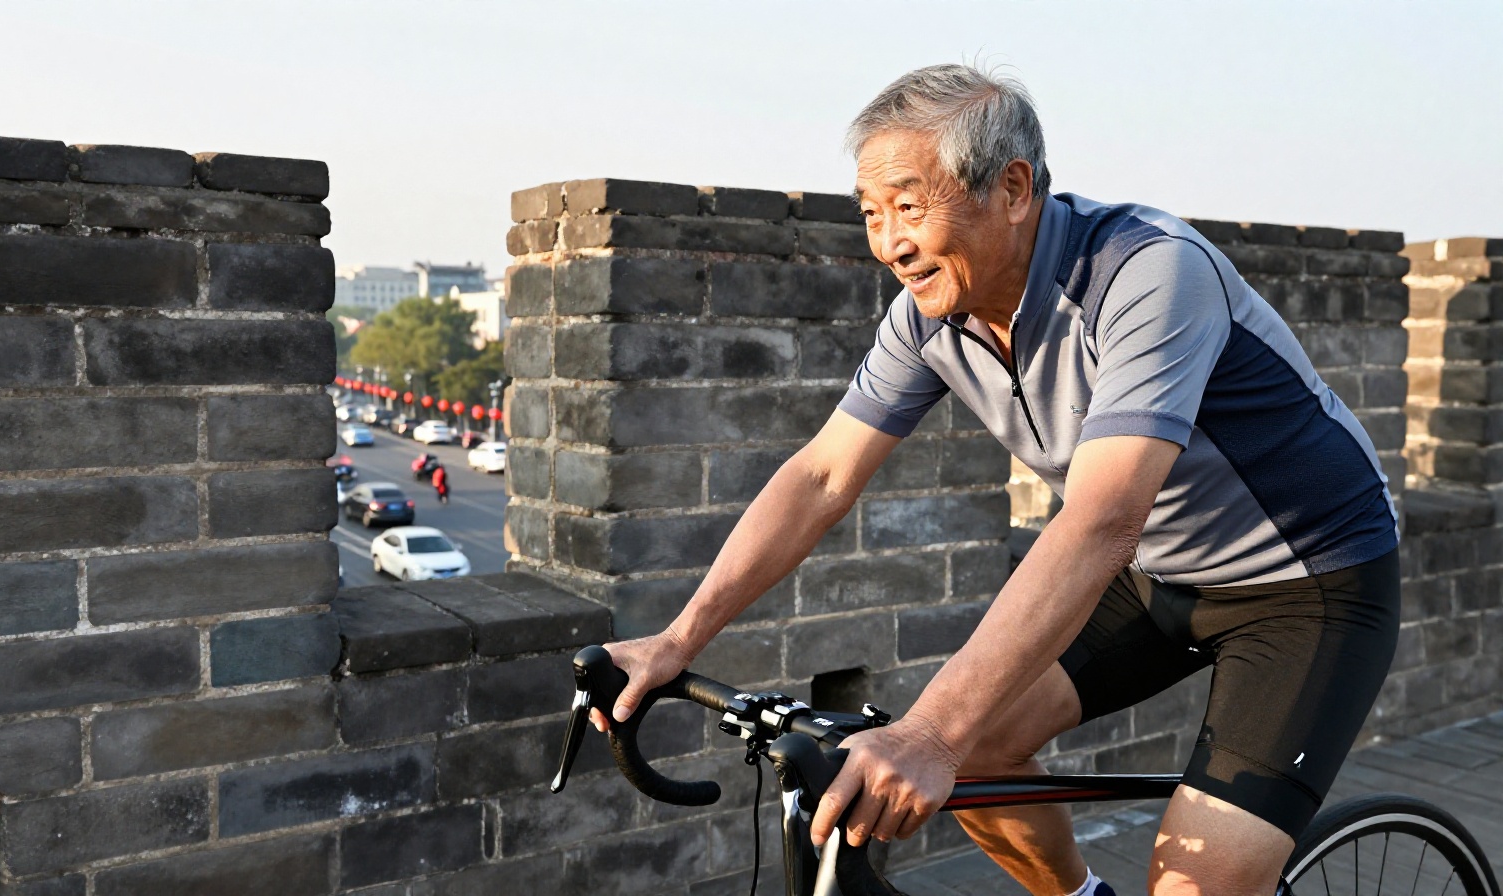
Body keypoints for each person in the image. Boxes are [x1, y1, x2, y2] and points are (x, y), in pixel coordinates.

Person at [591, 64, 1399, 896]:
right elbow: (822, 475)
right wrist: (678, 640)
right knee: (979, 743)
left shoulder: (1146, 273)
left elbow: (1101, 520)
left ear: (1013, 188)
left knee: (1190, 881)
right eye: (871, 214)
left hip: (1308, 583)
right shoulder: (932, 314)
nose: (889, 243)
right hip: (1161, 573)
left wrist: (929, 735)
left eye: (910, 207)